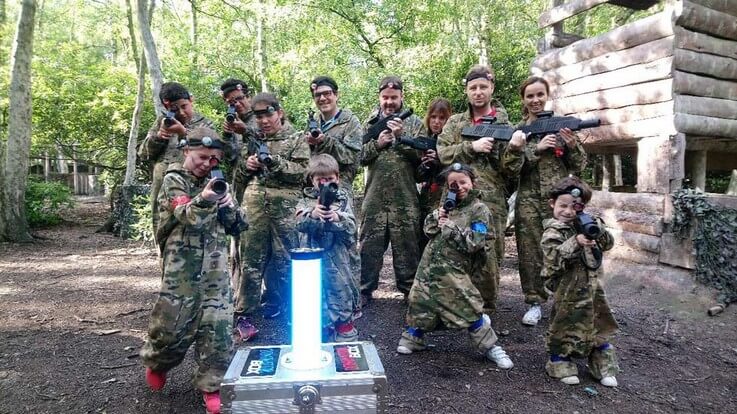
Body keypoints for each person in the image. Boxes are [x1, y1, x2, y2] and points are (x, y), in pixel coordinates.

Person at [140, 126, 244, 414]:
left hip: (215, 272)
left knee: (218, 330)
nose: (207, 164)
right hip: (181, 270)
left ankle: (213, 385)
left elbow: (238, 227)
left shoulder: (219, 182)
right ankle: (158, 361)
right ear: (186, 151)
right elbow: (187, 216)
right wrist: (206, 199)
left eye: (214, 159)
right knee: (171, 329)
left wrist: (229, 206)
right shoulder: (174, 180)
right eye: (202, 156)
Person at [396, 163, 513, 370]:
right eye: (452, 184)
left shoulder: (479, 209)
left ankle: (491, 346)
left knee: (466, 304)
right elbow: (429, 231)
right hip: (429, 268)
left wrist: (449, 227)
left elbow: (476, 243)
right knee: (421, 301)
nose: (458, 187)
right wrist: (437, 217)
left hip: (455, 271)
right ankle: (414, 338)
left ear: (472, 183)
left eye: (463, 182)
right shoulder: (446, 206)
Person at [436, 65, 526, 313]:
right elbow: (442, 154)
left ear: (492, 88)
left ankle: (485, 310)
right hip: (457, 198)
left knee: (488, 253)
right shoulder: (456, 123)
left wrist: (516, 150)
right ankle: (451, 304)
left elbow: (511, 170)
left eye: (483, 87)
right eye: (473, 88)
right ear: (466, 91)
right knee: (452, 247)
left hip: (490, 200)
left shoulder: (505, 124)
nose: (478, 92)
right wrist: (470, 148)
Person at [234, 93, 310, 334]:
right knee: (250, 260)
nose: (264, 120)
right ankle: (245, 313)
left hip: (285, 207)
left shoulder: (297, 138)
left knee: (287, 260)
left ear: (279, 112)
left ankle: (293, 309)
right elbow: (236, 175)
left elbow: (302, 171)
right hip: (254, 205)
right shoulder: (252, 139)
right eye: (258, 116)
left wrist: (273, 162)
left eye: (268, 114)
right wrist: (246, 166)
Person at [514, 76, 588, 326]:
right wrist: (536, 150)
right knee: (530, 252)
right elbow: (510, 168)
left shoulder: (561, 126)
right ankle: (534, 302)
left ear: (547, 96)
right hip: (528, 200)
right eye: (530, 96)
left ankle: (563, 300)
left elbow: (579, 167)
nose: (535, 100)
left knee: (564, 248)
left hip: (559, 203)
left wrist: (571, 146)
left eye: (539, 95)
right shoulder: (519, 130)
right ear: (523, 99)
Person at [541, 176, 618, 387]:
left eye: (574, 207)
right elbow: (553, 260)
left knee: (599, 325)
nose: (567, 211)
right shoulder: (553, 231)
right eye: (562, 206)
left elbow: (608, 245)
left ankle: (603, 366)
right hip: (568, 291)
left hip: (594, 289)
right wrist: (575, 242)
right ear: (552, 204)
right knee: (564, 326)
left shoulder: (587, 223)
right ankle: (560, 362)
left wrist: (598, 229)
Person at [359, 75, 424, 306]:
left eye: (394, 98)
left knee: (408, 245)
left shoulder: (415, 122)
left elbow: (422, 158)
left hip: (405, 196)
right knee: (369, 245)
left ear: (402, 97)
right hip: (374, 196)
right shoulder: (369, 123)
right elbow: (358, 158)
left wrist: (400, 138)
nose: (389, 102)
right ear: (379, 97)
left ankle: (410, 291)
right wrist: (378, 144)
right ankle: (364, 290)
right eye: (385, 98)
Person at [305, 76, 363, 314]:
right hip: (316, 186)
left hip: (341, 187)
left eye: (327, 93)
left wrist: (326, 141)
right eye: (318, 95)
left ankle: (351, 300)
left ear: (336, 94)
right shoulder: (313, 122)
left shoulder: (350, 122)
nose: (323, 98)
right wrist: (310, 143)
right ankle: (323, 302)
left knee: (345, 245)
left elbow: (353, 156)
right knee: (317, 239)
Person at [138, 82, 221, 243]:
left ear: (191, 100)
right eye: (175, 109)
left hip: (195, 187)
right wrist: (159, 137)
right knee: (164, 233)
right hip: (163, 188)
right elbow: (143, 154)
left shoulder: (205, 124)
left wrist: (183, 133)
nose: (182, 113)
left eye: (184, 106)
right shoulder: (163, 122)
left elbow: (213, 153)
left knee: (195, 231)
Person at [295, 154, 359, 341]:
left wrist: (337, 218)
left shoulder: (344, 199)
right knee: (313, 294)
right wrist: (313, 214)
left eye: (329, 179)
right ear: (312, 180)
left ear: (337, 178)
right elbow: (298, 223)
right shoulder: (305, 200)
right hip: (311, 258)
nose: (325, 183)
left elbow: (352, 226)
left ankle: (344, 327)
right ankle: (321, 328)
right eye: (320, 180)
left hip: (338, 259)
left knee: (341, 290)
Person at [219, 79, 261, 341]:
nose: (236, 104)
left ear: (248, 95)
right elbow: (225, 158)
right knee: (239, 250)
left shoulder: (263, 118)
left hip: (262, 193)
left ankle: (269, 300)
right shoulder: (231, 125)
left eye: (238, 98)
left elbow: (271, 145)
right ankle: (240, 304)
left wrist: (246, 130)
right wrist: (226, 134)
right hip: (239, 192)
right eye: (230, 101)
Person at [417, 98, 451, 254]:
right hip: (425, 199)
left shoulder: (450, 141)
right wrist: (424, 164)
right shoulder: (424, 139)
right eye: (433, 117)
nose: (437, 122)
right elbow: (417, 175)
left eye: (442, 118)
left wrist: (440, 161)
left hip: (443, 200)